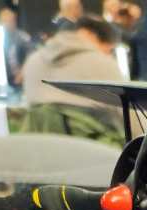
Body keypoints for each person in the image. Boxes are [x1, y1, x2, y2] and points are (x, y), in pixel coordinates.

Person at [18, 15, 127, 145]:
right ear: (90, 34)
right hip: (92, 151)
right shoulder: (103, 63)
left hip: (38, 148)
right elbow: (131, 119)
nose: (109, 54)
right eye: (109, 49)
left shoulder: (32, 61)